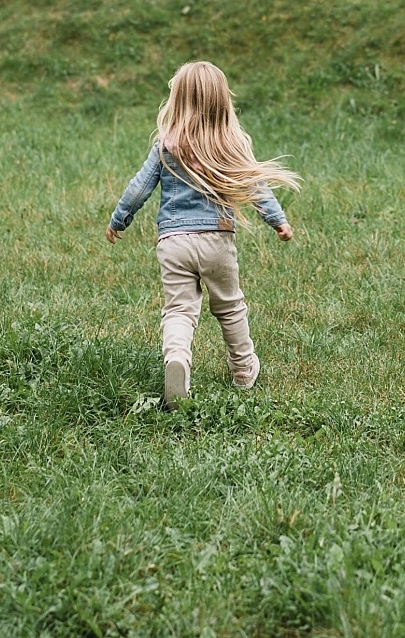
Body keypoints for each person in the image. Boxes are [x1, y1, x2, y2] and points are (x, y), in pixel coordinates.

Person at [107, 61, 300, 407]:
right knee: (229, 306)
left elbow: (138, 189)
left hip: (174, 243)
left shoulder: (167, 144)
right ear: (222, 100)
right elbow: (256, 186)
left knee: (179, 310)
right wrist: (278, 220)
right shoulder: (232, 142)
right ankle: (243, 369)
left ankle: (178, 359)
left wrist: (119, 219)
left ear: (178, 99)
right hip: (217, 242)